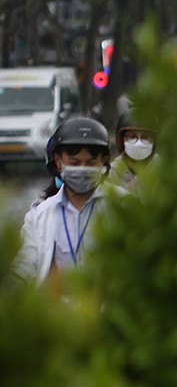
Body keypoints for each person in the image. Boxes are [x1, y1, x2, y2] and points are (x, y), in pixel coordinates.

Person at [13, 116, 113, 288]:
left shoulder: (122, 205)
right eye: (74, 163)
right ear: (58, 162)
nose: (82, 169)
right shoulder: (39, 217)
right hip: (56, 312)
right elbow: (21, 271)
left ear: (102, 162)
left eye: (90, 163)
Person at [111, 107, 156, 189]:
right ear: (121, 140)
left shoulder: (164, 172)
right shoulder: (111, 173)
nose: (139, 143)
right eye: (132, 136)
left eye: (145, 137)